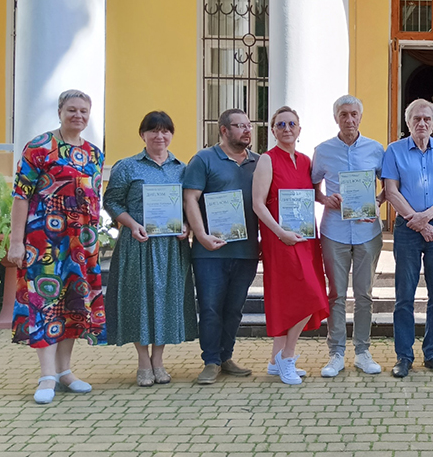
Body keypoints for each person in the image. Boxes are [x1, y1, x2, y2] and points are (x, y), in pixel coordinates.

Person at [6, 89, 105, 404]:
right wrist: (16, 242)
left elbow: (93, 199)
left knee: (73, 306)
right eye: (72, 110)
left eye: (83, 111)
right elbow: (21, 196)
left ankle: (65, 371)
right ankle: (47, 374)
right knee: (44, 304)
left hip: (81, 244)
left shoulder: (94, 154)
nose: (78, 116)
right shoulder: (39, 148)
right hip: (43, 244)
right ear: (60, 111)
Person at [104, 111, 197, 387]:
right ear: (142, 134)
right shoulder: (127, 167)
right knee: (139, 300)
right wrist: (131, 224)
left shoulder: (181, 168)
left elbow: (188, 205)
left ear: (171, 134)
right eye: (153, 131)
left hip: (171, 247)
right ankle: (143, 361)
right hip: (138, 244)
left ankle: (159, 359)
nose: (159, 136)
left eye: (165, 131)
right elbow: (112, 202)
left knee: (166, 301)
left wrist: (187, 227)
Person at [252, 107, 330, 385]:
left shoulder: (306, 160)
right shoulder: (267, 160)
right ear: (273, 130)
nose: (287, 128)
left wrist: (328, 200)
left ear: (299, 129)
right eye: (281, 124)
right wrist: (279, 233)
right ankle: (288, 356)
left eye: (292, 124)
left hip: (307, 238)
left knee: (301, 296)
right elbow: (258, 203)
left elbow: (311, 194)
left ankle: (275, 361)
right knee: (307, 297)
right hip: (280, 239)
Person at [183, 108, 260, 385]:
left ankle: (226, 356)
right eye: (239, 126)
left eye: (248, 126)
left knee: (235, 307)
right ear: (224, 130)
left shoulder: (259, 162)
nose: (247, 130)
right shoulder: (204, 159)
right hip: (210, 251)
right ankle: (211, 361)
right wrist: (201, 236)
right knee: (211, 307)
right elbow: (190, 199)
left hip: (247, 250)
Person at [382, 98, 433, 378]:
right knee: (404, 296)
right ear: (408, 122)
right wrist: (418, 221)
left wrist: (425, 218)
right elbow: (391, 191)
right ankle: (403, 356)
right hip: (407, 230)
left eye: (427, 119)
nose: (422, 123)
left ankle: (432, 353)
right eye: (416, 119)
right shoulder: (394, 151)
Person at [311, 95, 385, 377]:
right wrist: (324, 199)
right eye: (344, 114)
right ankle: (336, 353)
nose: (350, 120)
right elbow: (313, 186)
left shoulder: (376, 149)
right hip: (335, 232)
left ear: (361, 117)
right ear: (336, 118)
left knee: (364, 294)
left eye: (354, 114)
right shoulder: (324, 150)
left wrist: (377, 202)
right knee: (336, 294)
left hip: (368, 231)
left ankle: (363, 351)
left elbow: (390, 184)